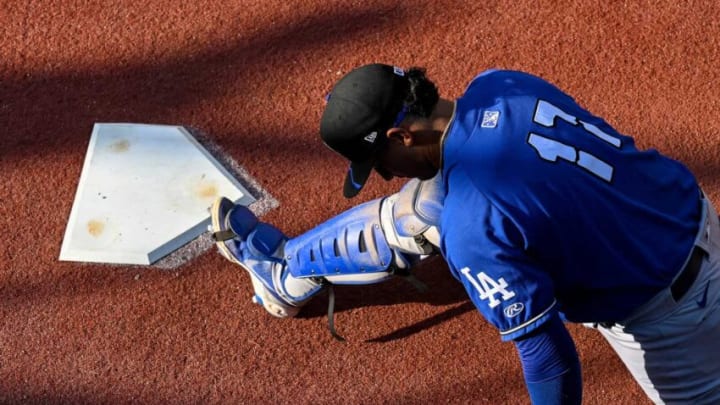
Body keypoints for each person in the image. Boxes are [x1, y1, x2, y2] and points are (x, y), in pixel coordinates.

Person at [210, 64, 719, 404]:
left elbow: (547, 356)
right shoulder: (500, 83)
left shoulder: (473, 226)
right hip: (682, 211)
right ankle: (285, 269)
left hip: (674, 318)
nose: (383, 175)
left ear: (400, 136)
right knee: (425, 204)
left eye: (379, 161)